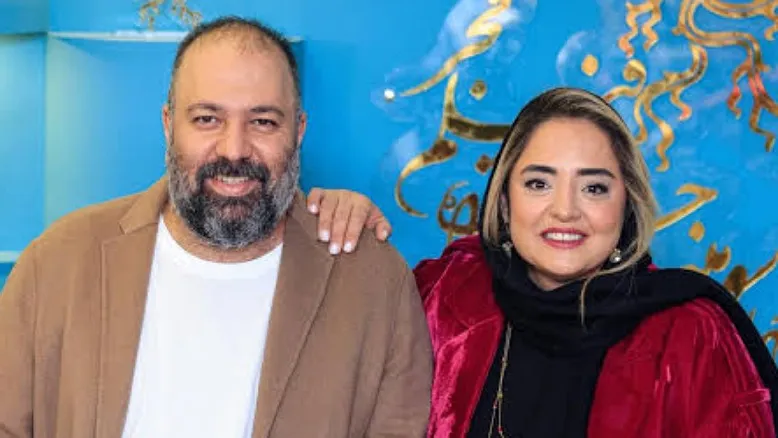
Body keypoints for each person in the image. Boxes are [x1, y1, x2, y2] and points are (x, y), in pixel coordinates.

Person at [0, 16, 433, 438]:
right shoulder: (59, 261)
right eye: (208, 119)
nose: (234, 149)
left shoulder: (372, 282)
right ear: (169, 124)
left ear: (298, 131)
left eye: (263, 122)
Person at [308, 87, 778, 437]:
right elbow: (324, 370)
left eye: (594, 187)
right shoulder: (447, 291)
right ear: (505, 201)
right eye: (539, 183)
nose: (565, 210)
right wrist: (335, 229)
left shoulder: (691, 333)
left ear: (626, 206)